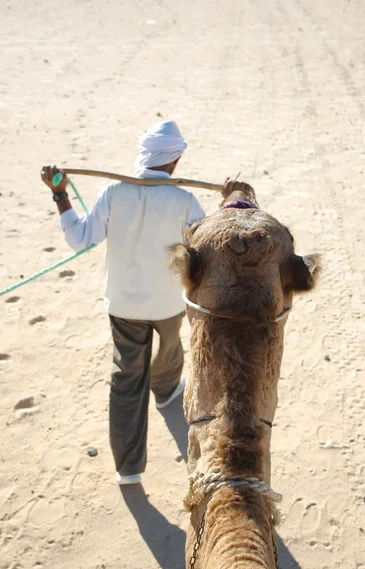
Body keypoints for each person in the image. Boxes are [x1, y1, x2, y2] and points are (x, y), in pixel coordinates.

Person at [41, 120, 254, 486]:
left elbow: (79, 239)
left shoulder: (114, 192)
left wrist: (60, 195)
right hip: (169, 304)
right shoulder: (184, 200)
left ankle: (129, 469)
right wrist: (229, 203)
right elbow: (211, 250)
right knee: (170, 351)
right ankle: (167, 389)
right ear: (173, 161)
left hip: (123, 306)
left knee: (126, 380)